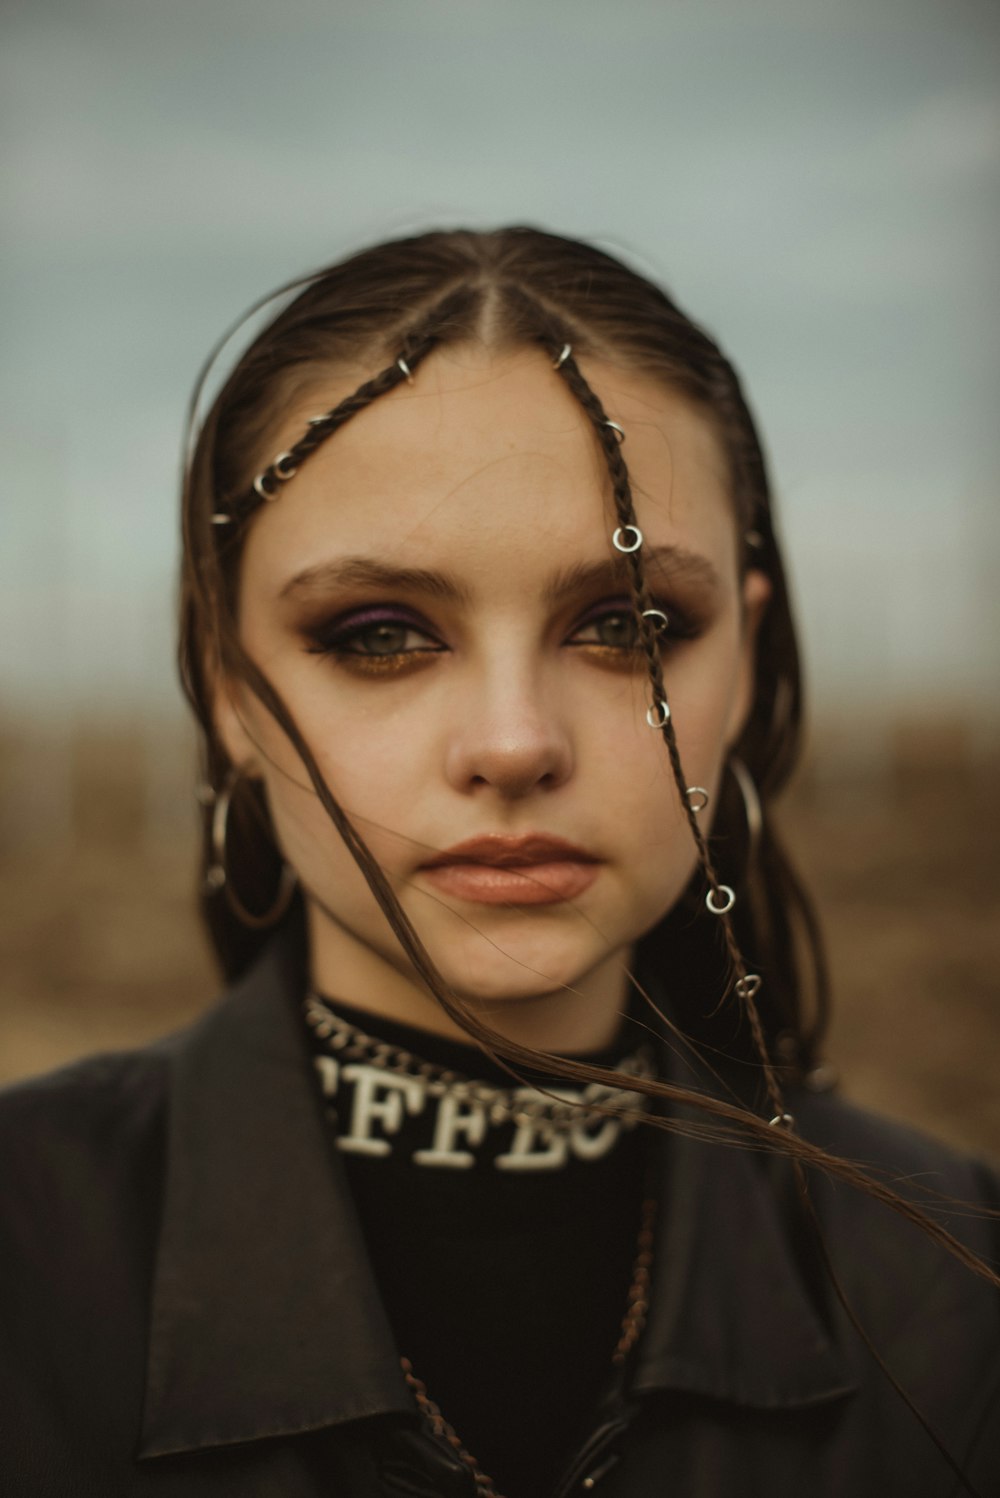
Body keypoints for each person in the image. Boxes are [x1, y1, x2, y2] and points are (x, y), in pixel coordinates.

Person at [1, 227, 998, 1498]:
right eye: (377, 634)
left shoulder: (950, 1290)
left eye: (629, 623)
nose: (514, 743)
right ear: (224, 684)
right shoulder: (27, 1255)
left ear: (740, 662)